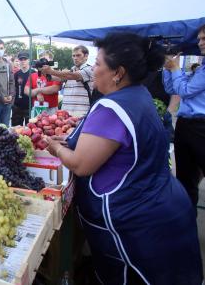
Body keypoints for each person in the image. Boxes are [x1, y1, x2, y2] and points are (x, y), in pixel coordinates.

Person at [46, 33, 203, 284]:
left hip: (133, 221)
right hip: (162, 207)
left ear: (117, 72)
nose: (93, 69)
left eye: (97, 64)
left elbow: (80, 165)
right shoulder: (138, 95)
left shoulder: (110, 108)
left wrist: (55, 148)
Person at [163, 23, 205, 208]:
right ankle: (187, 220)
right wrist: (168, 68)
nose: (200, 43)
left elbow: (185, 90)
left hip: (201, 128)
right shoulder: (201, 69)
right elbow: (172, 88)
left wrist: (174, 69)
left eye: (204, 39)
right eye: (199, 39)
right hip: (186, 126)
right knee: (186, 179)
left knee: (189, 178)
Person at [42, 45, 94, 117]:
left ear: (86, 56)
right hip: (65, 115)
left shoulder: (89, 69)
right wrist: (42, 69)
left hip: (82, 115)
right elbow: (52, 78)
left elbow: (73, 76)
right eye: (73, 56)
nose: (75, 58)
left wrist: (50, 71)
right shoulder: (70, 71)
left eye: (78, 55)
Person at [24, 50, 61, 115]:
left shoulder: (56, 74)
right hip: (37, 108)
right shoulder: (33, 75)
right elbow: (26, 90)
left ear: (51, 60)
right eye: (41, 60)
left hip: (51, 109)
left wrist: (38, 91)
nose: (43, 62)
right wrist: (37, 93)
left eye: (45, 59)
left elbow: (55, 88)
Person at [11, 51, 34, 126]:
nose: (23, 61)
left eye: (25, 59)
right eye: (21, 59)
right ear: (19, 61)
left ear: (29, 60)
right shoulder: (16, 74)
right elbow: (13, 88)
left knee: (30, 130)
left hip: (30, 106)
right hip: (17, 106)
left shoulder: (34, 73)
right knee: (15, 130)